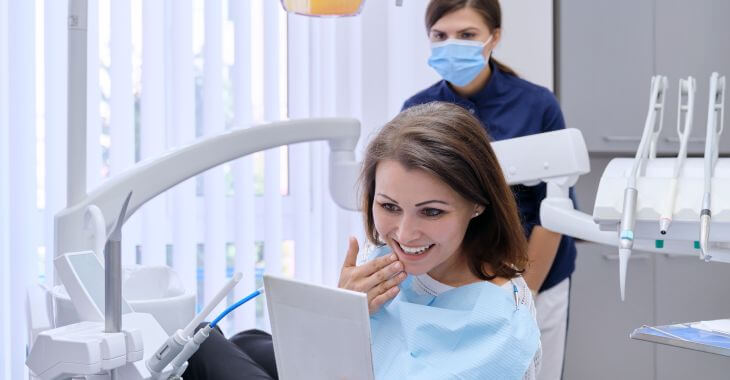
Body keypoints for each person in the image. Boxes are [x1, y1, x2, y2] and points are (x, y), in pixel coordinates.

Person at [183, 102, 541, 379]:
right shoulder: (385, 257)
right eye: (388, 206)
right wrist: (341, 310)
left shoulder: (499, 322)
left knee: (199, 344)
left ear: (478, 204)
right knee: (246, 340)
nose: (404, 234)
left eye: (431, 212)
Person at [401, 1, 577, 379]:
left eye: (466, 35)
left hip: (536, 273)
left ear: (494, 37)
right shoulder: (417, 111)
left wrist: (520, 293)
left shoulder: (536, 105)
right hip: (450, 280)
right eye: (440, 35)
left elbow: (554, 210)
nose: (452, 44)